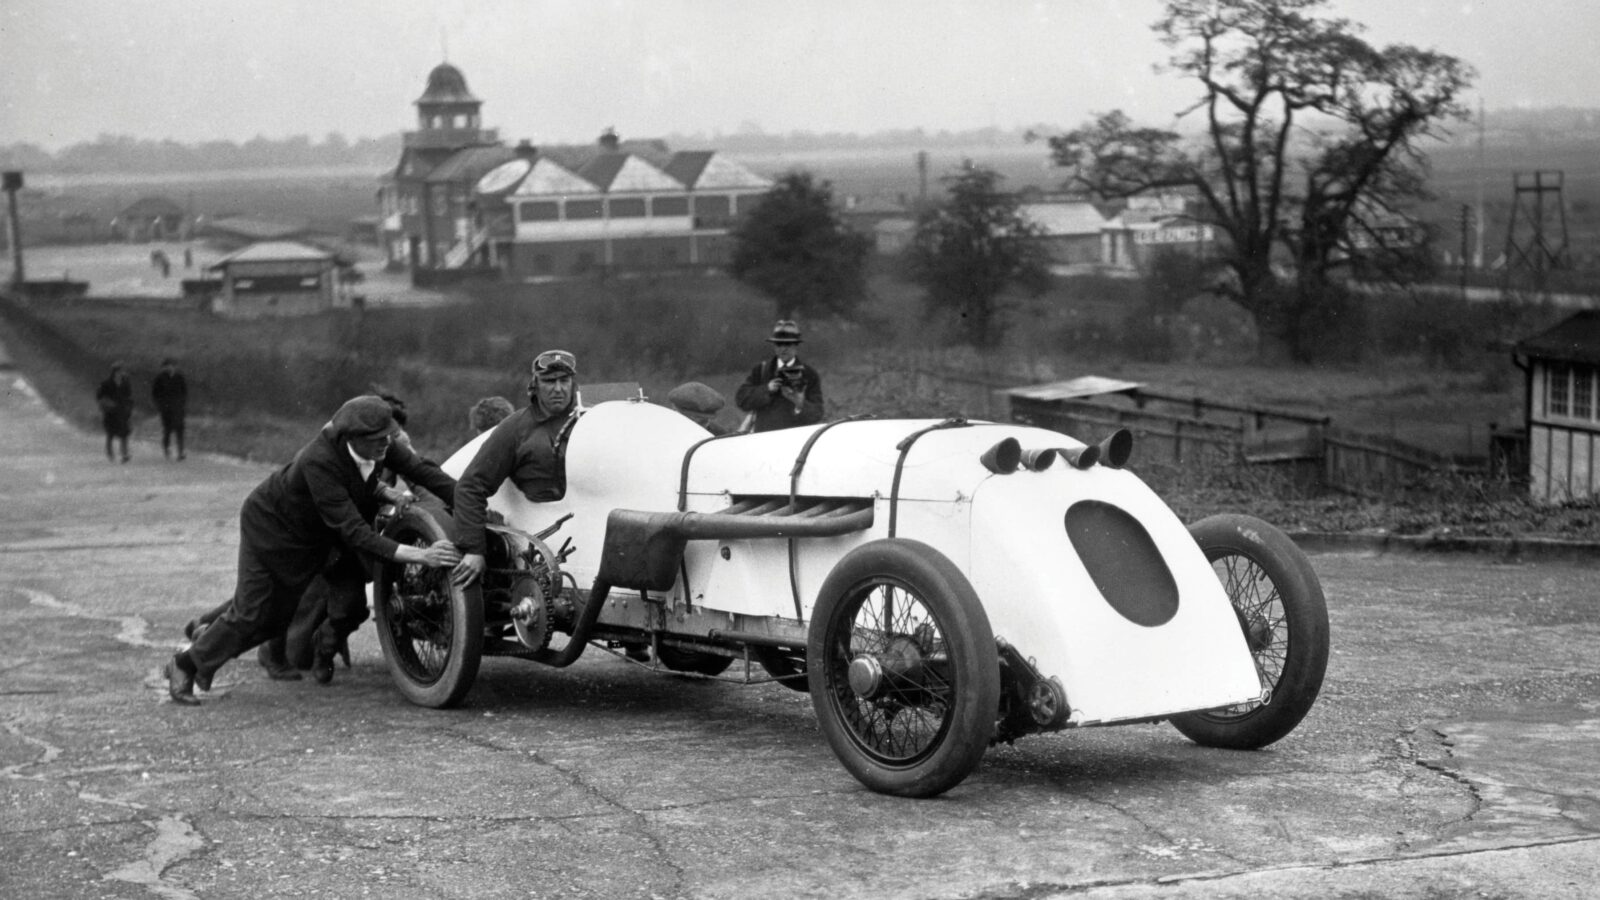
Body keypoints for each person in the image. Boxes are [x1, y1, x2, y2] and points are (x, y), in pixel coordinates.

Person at [164, 395, 460, 705]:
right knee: (252, 611)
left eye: (388, 435)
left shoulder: (381, 446)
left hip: (313, 537)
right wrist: (420, 555)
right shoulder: (320, 460)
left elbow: (425, 472)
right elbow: (354, 531)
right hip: (272, 529)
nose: (386, 443)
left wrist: (469, 502)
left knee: (278, 618)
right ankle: (185, 665)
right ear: (351, 438)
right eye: (377, 439)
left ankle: (204, 653)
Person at [451, 350, 580, 588]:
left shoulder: (587, 422)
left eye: (565, 381)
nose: (558, 389)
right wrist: (474, 550)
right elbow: (470, 486)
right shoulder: (516, 428)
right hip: (541, 539)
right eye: (549, 382)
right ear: (535, 386)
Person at [734, 320, 824, 433]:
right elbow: (741, 400)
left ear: (796, 345)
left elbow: (818, 413)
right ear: (773, 345)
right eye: (778, 344)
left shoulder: (809, 374)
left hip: (795, 438)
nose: (783, 349)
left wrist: (800, 403)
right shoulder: (762, 370)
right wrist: (767, 389)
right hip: (763, 438)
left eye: (788, 344)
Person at [96, 362, 135, 463]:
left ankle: (124, 454)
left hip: (122, 411)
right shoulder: (106, 383)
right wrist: (107, 403)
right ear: (114, 372)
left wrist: (129, 407)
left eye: (121, 371)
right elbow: (99, 396)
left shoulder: (125, 383)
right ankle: (110, 452)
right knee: (111, 433)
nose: (120, 373)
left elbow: (129, 396)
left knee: (124, 433)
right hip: (111, 412)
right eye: (118, 371)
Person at [151, 357, 188, 460]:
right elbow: (155, 393)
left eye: (172, 365)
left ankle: (181, 452)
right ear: (164, 367)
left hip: (178, 407)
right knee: (167, 429)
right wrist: (160, 404)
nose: (171, 367)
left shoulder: (179, 377)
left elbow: (184, 391)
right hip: (166, 407)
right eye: (168, 365)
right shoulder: (160, 378)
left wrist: (182, 403)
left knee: (180, 428)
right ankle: (166, 447)